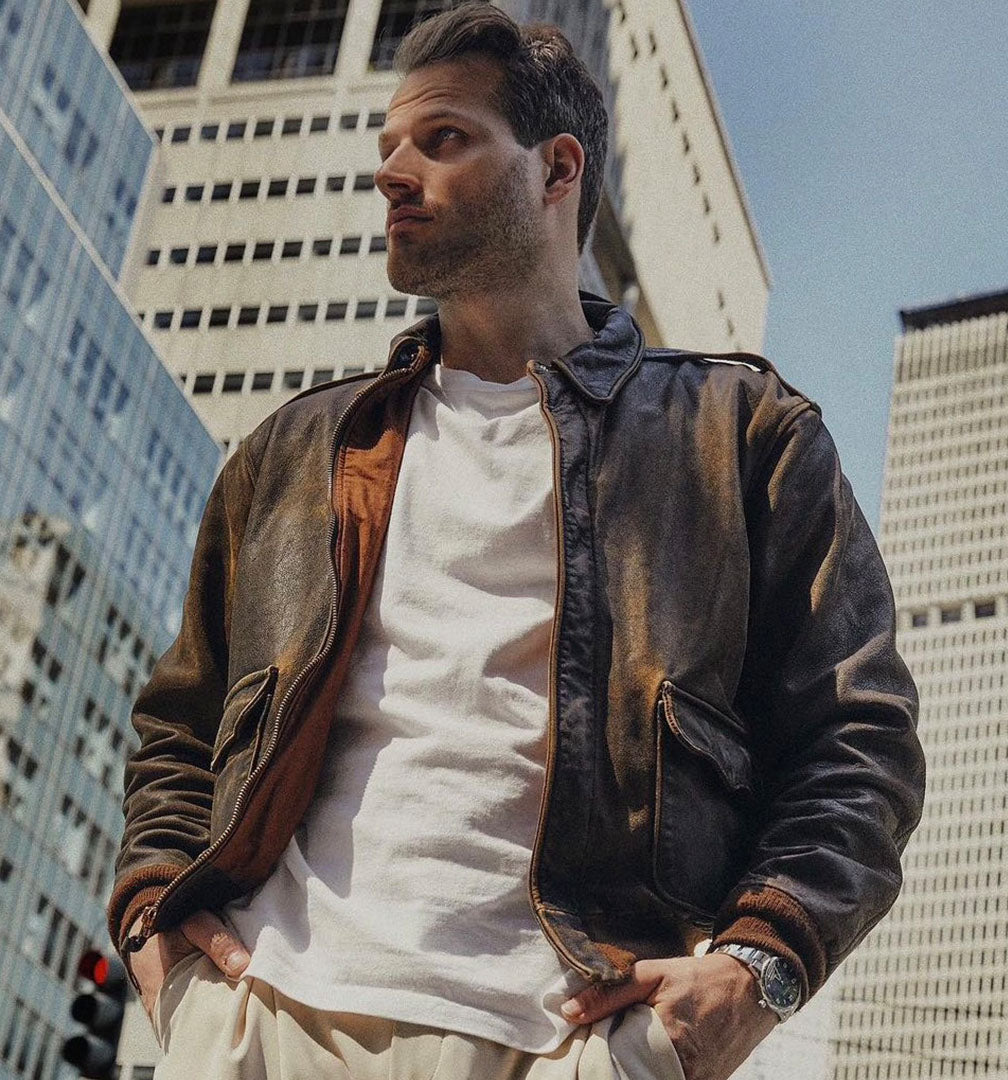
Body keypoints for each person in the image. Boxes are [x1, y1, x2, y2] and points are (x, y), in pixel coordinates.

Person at [106, 5, 924, 1079]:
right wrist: (160, 937)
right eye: (389, 147)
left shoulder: (739, 437)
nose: (393, 172)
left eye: (442, 141)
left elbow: (858, 744)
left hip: (567, 1040)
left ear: (557, 170)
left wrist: (753, 971)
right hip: (264, 1022)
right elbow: (180, 725)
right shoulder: (296, 451)